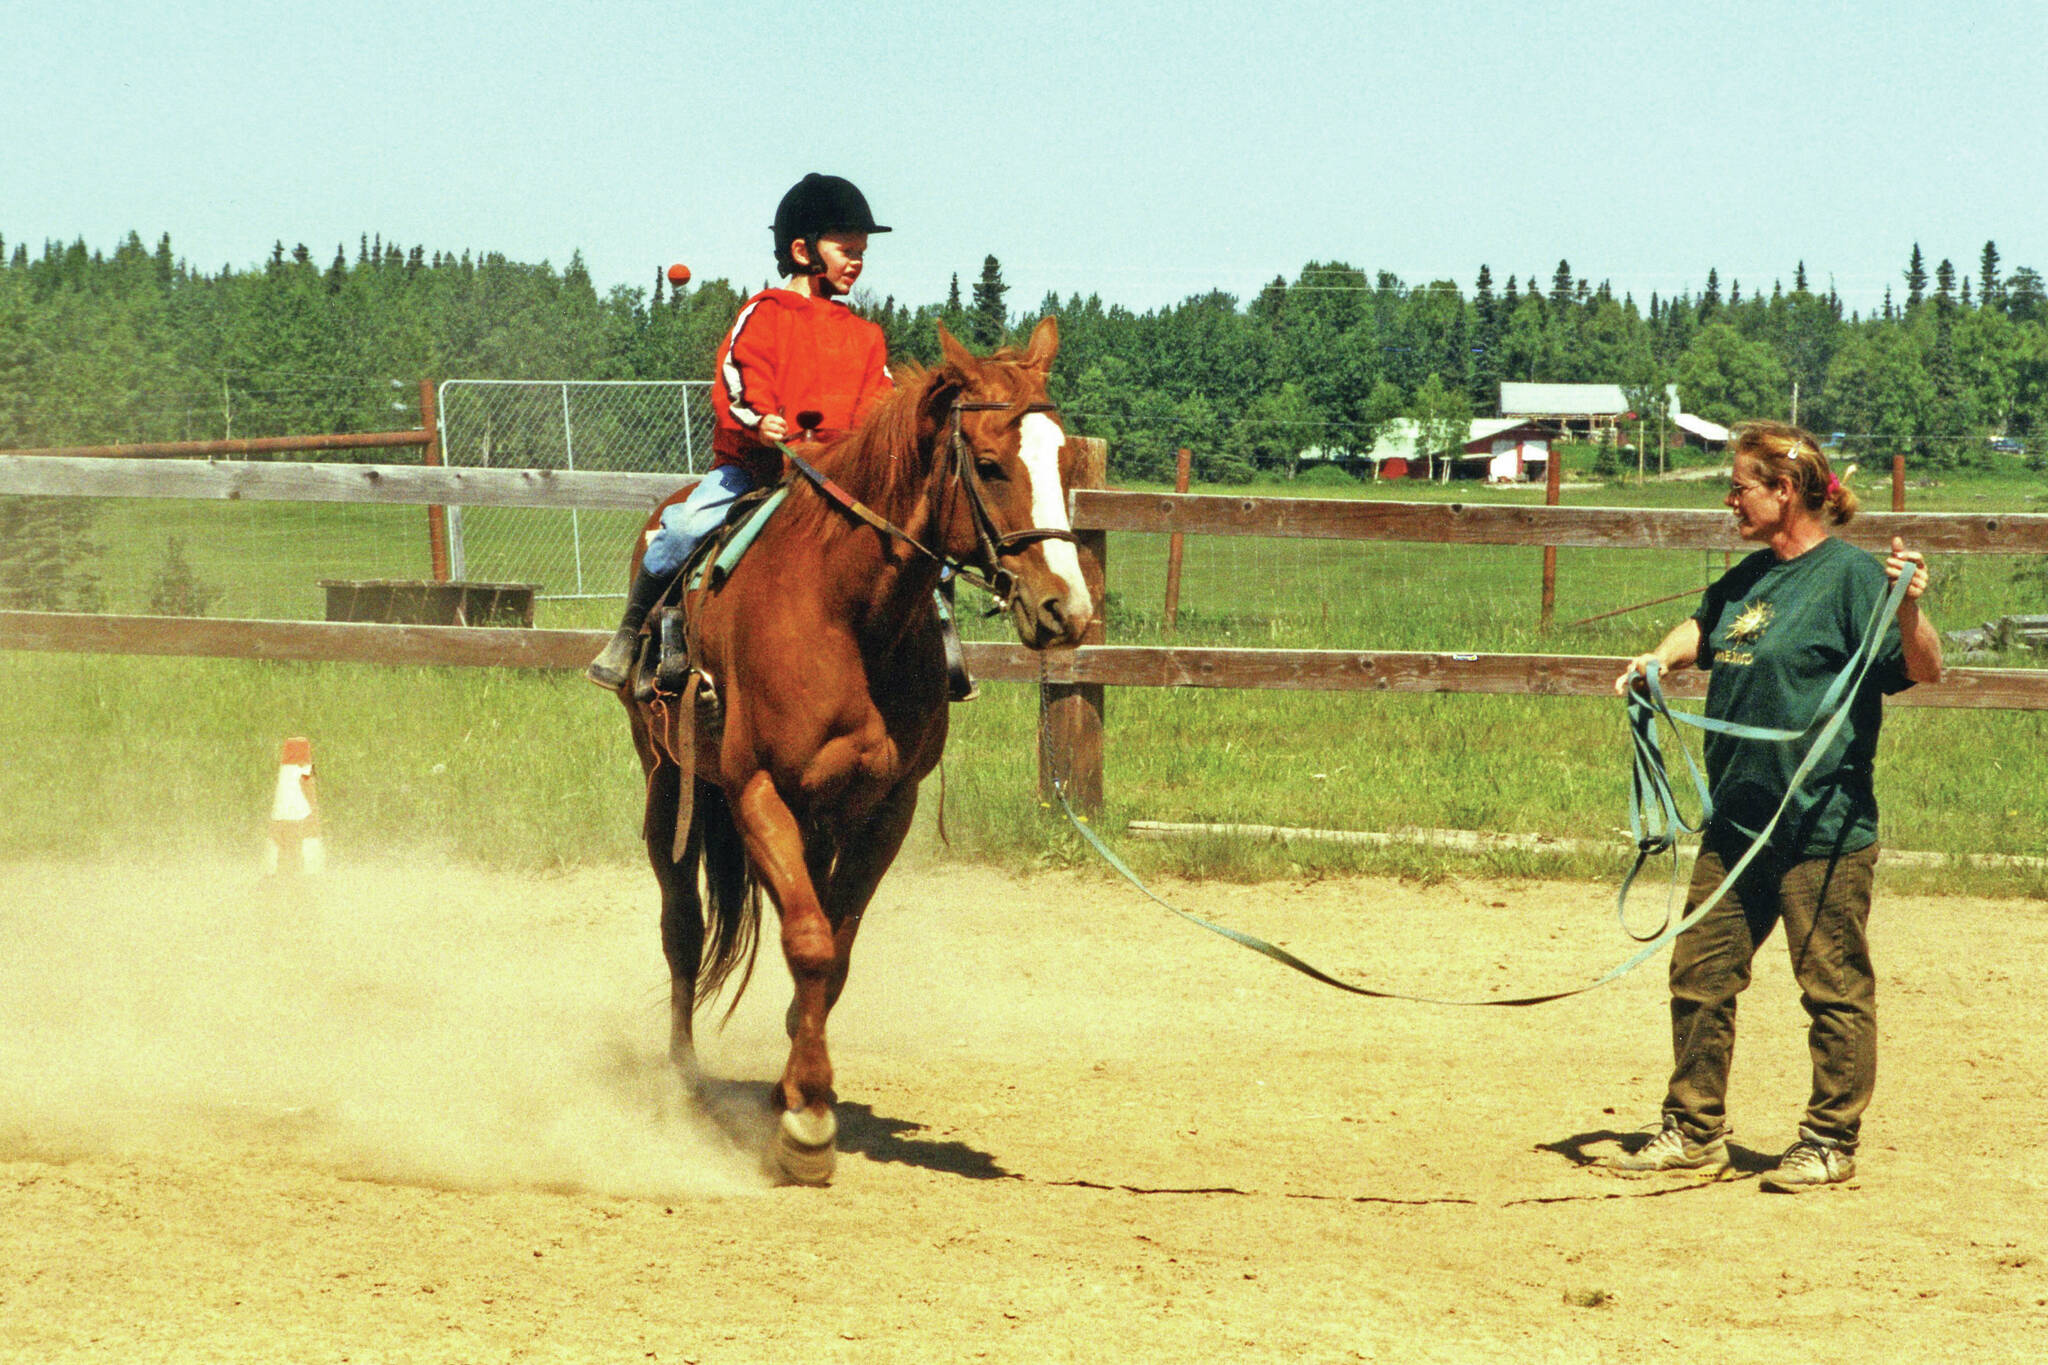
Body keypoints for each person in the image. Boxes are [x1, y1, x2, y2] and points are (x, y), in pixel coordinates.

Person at [1605, 420, 1942, 1191]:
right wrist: (1658, 659)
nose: (1731, 500)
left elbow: (1924, 667)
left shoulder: (1857, 580)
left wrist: (1910, 610)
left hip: (1822, 824)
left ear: (1784, 491)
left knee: (1832, 986)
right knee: (1699, 973)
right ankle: (1693, 1129)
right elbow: (1705, 625)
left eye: (1739, 487)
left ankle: (1829, 1138)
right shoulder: (1751, 576)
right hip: (1738, 820)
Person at [587, 173, 893, 688]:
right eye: (846, 248)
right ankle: (631, 634)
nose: (857, 260)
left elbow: (879, 406)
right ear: (802, 250)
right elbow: (736, 379)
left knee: (922, 551)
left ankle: (938, 647)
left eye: (862, 250)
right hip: (756, 467)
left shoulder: (866, 336)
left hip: (832, 484)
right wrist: (760, 420)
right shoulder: (765, 313)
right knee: (683, 528)